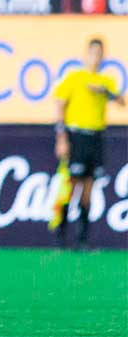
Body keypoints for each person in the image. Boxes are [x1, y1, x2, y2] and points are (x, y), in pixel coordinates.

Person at [52, 38, 124, 247]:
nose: (96, 58)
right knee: (70, 185)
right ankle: (60, 236)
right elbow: (59, 104)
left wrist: (106, 93)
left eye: (99, 54)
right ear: (86, 55)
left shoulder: (105, 81)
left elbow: (122, 102)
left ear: (103, 56)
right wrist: (62, 138)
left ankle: (82, 240)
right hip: (77, 136)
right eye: (93, 53)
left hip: (96, 136)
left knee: (89, 187)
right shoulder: (75, 77)